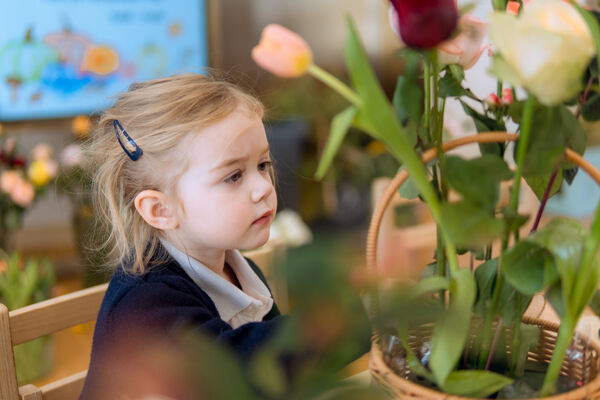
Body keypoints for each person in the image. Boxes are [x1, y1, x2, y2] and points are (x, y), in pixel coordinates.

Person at [79, 73, 283, 400]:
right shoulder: (143, 304)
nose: (264, 188)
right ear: (161, 210)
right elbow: (235, 372)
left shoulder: (242, 273)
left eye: (262, 164)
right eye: (233, 176)